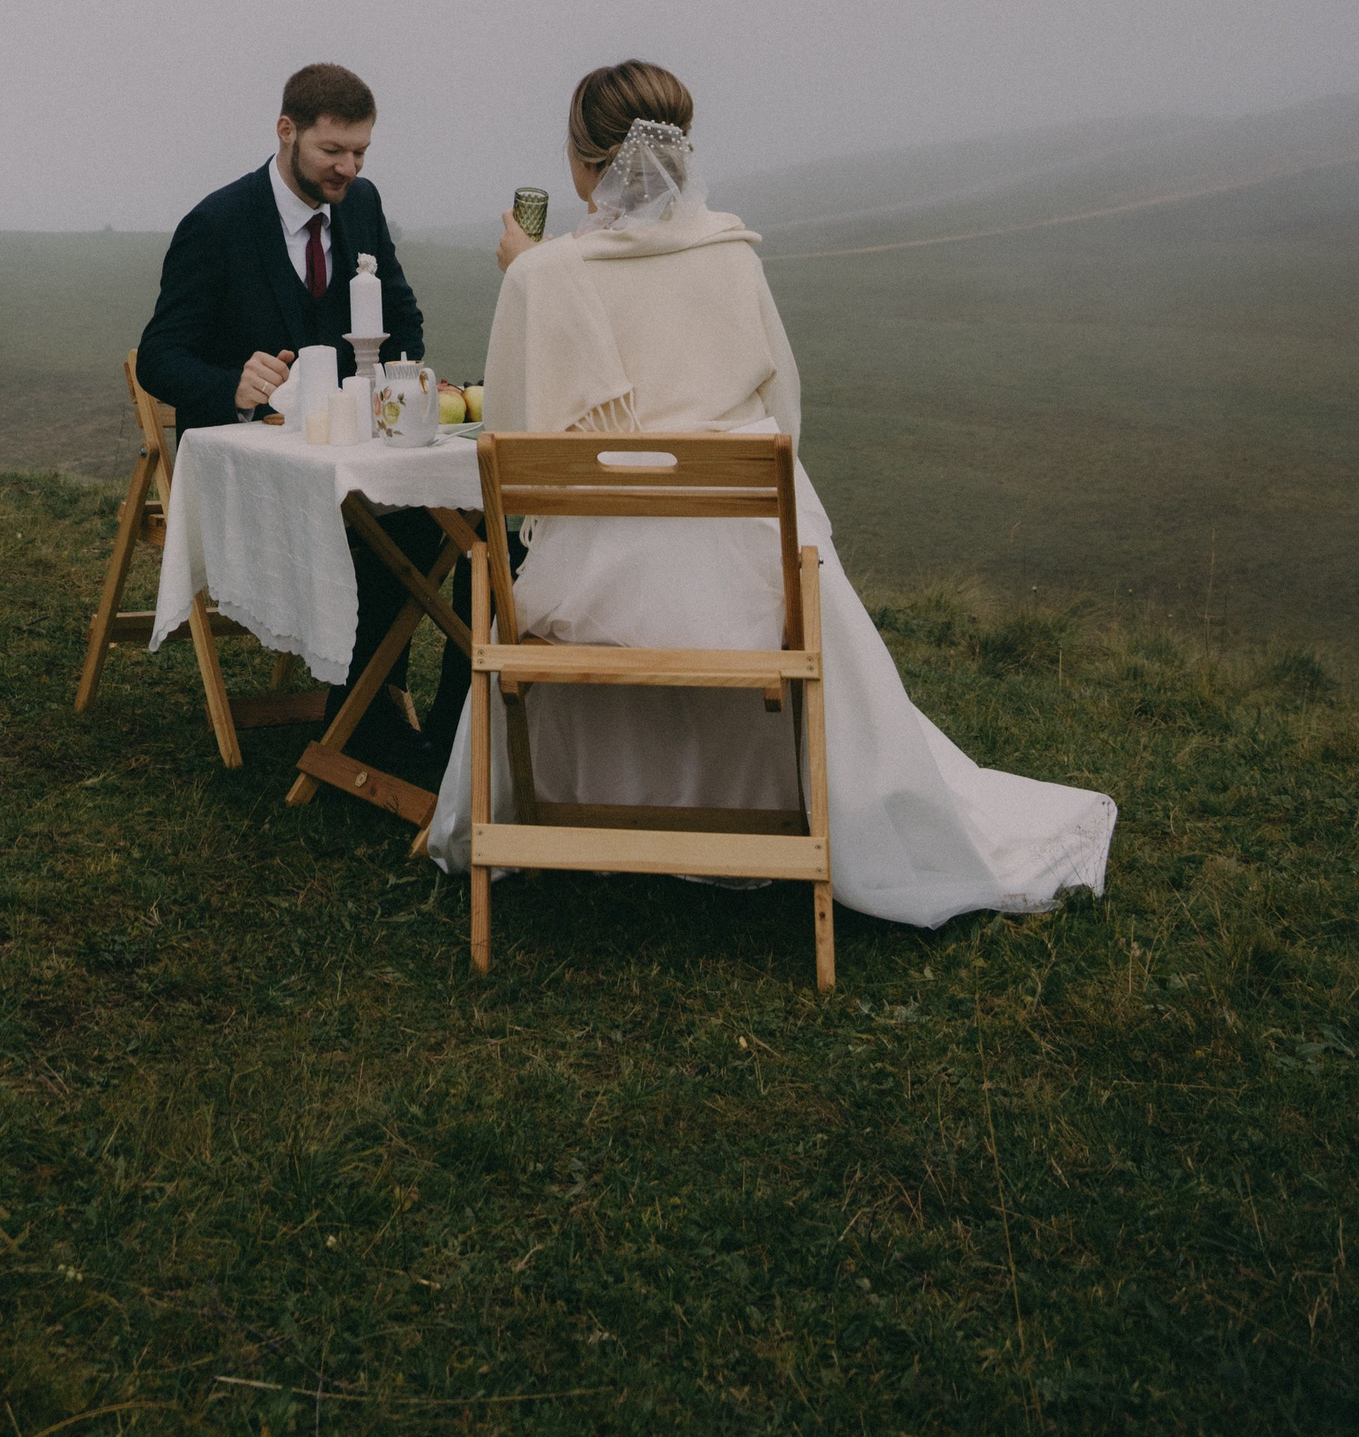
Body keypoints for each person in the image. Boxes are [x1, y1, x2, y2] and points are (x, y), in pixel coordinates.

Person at [426, 59, 1118, 925]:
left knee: (531, 575)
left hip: (591, 588)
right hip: (746, 585)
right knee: (799, 571)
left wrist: (532, 275)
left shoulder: (541, 274)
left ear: (583, 162)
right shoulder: (730, 255)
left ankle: (552, 809)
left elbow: (517, 439)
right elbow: (782, 407)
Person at [138, 62, 468, 789]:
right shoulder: (217, 223)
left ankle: (419, 732)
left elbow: (403, 315)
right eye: (332, 151)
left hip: (352, 461)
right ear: (286, 131)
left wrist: (399, 377)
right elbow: (160, 357)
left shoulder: (363, 203)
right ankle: (368, 729)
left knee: (447, 528)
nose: (348, 168)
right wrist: (231, 382)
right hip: (254, 475)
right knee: (399, 536)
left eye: (360, 152)